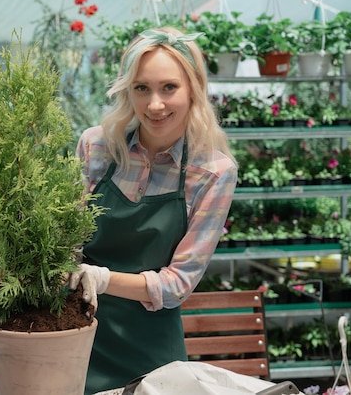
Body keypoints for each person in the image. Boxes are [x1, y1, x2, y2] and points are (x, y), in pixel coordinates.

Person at [68, 26, 238, 395]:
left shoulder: (211, 172)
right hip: (76, 337)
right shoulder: (96, 146)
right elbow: (67, 238)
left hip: (154, 359)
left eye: (169, 88)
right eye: (142, 88)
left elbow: (178, 284)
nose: (154, 104)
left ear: (194, 88)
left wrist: (102, 278)